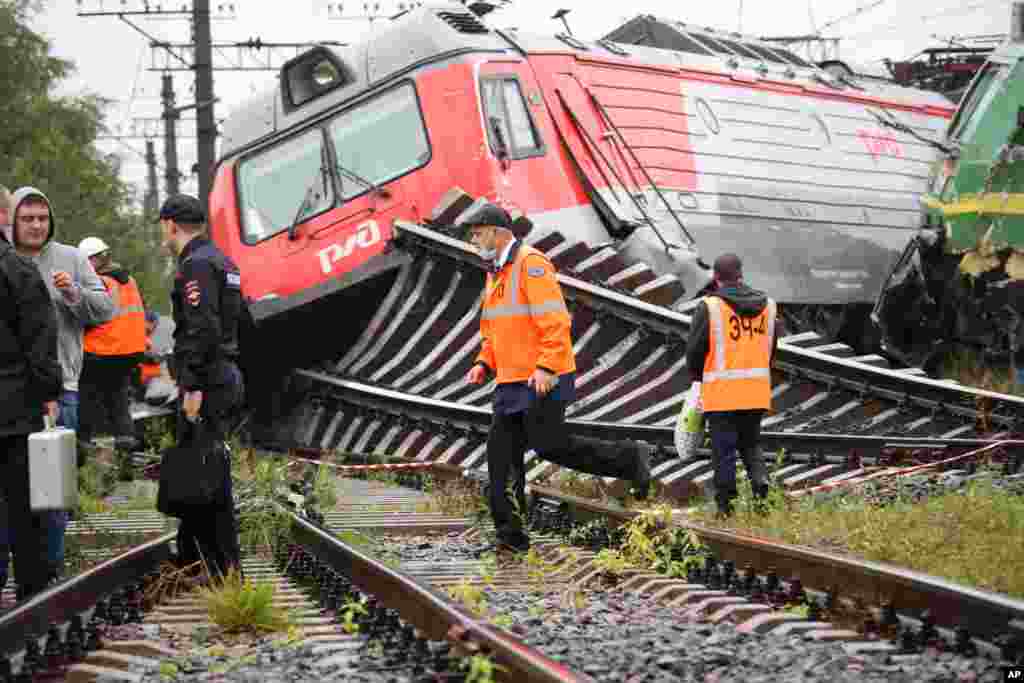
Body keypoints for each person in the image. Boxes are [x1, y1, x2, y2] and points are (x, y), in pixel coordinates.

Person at [459, 202, 651, 554]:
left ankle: (630, 459)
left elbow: (555, 321)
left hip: (542, 377)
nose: (474, 239)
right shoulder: (494, 271)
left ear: (498, 231)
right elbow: (495, 329)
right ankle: (510, 540)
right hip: (510, 382)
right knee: (501, 460)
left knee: (551, 446)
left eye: (477, 232)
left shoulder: (531, 264)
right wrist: (484, 363)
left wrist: (546, 366)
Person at [10, 186, 115, 582]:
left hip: (62, 388)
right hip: (11, 394)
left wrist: (73, 293)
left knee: (52, 489)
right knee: (14, 490)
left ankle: (49, 569)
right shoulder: (7, 261)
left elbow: (107, 308)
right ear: (13, 221)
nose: (36, 225)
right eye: (28, 218)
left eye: (42, 218)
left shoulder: (70, 258)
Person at [159, 194, 243, 580]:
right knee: (202, 471)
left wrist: (191, 386)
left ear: (170, 225)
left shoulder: (195, 266)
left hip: (205, 381)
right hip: (224, 373)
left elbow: (202, 329)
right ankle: (195, 558)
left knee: (207, 477)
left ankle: (222, 566)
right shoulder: (223, 262)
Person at [0, 183, 64, 601]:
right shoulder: (18, 272)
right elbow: (40, 342)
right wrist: (49, 393)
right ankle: (32, 589)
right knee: (26, 504)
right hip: (14, 407)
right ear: (6, 217)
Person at [685, 253, 781, 517]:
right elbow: (771, 350)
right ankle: (761, 486)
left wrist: (696, 379)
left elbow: (694, 350)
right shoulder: (769, 306)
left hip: (722, 393)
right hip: (756, 390)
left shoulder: (710, 307)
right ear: (741, 275)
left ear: (716, 278)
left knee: (723, 450)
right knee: (751, 443)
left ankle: (726, 507)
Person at [77, 236, 148, 456]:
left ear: (95, 260)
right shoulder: (129, 280)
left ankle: (82, 446)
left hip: (103, 349)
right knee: (118, 397)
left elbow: (89, 318)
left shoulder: (99, 282)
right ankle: (125, 444)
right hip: (130, 351)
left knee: (86, 395)